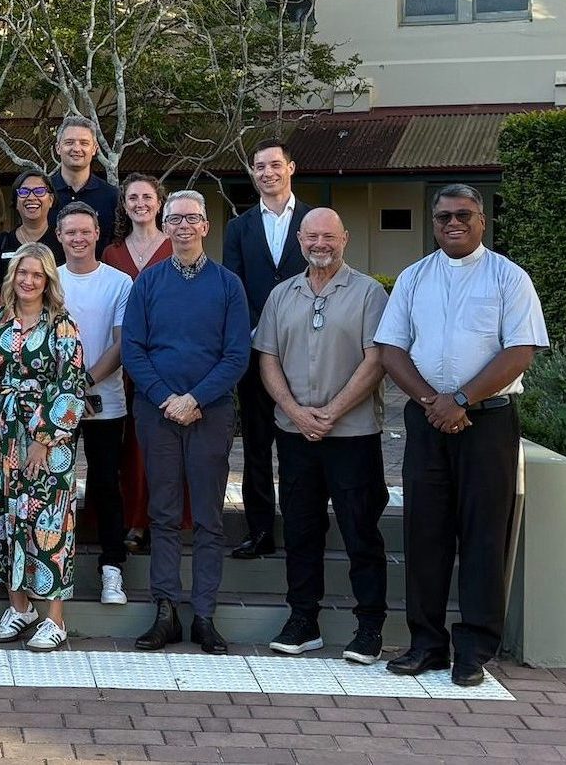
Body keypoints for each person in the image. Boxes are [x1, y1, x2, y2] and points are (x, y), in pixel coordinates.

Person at [377, 184, 547, 688]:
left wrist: (462, 399)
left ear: (482, 220)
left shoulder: (508, 278)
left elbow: (520, 351)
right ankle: (426, 644)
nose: (454, 223)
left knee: (483, 535)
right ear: (434, 223)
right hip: (428, 421)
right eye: (444, 216)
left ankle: (473, 650)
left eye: (464, 215)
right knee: (424, 533)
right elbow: (391, 349)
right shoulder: (414, 278)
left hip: (487, 424)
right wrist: (435, 402)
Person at [255, 208, 391, 665]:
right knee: (300, 529)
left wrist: (331, 413)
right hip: (295, 435)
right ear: (299, 239)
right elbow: (268, 359)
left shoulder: (369, 293)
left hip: (353, 435)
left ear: (345, 238)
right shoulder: (281, 296)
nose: (320, 244)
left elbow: (376, 360)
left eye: (329, 237)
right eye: (312, 236)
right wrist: (297, 413)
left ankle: (369, 626)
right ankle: (303, 620)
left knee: (361, 531)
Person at [122, 190, 250, 655]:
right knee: (163, 512)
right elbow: (133, 349)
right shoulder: (148, 283)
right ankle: (165, 611)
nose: (182, 226)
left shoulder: (228, 285)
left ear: (205, 226)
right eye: (174, 219)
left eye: (191, 218)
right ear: (165, 226)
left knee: (210, 517)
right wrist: (166, 398)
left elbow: (236, 354)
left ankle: (204, 615)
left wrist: (195, 398)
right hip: (157, 413)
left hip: (210, 413)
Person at [0, 243, 95, 653]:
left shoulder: (62, 325)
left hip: (47, 440)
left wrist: (44, 439)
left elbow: (71, 385)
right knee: (3, 518)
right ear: (12, 276)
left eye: (37, 274)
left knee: (47, 522)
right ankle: (19, 607)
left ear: (48, 280)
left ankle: (54, 619)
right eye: (23, 272)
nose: (28, 280)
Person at [223, 139, 314, 561]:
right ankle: (260, 530)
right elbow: (235, 288)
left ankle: (303, 527)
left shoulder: (315, 220)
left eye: (275, 164)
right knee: (257, 447)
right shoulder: (238, 227)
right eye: (259, 166)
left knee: (301, 444)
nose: (267, 173)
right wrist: (256, 339)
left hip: (307, 351)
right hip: (256, 353)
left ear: (290, 168)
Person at [54, 204, 134, 607]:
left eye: (85, 231)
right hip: (53, 402)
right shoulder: (49, 278)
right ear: (59, 236)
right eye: (70, 232)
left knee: (105, 484)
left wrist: (82, 383)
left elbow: (121, 344)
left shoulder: (119, 283)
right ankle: (53, 569)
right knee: (55, 485)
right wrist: (66, 390)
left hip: (106, 401)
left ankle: (112, 568)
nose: (78, 239)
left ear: (98, 233)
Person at [101, 174, 173, 556]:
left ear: (159, 202)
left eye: (147, 196)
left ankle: (156, 519)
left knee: (156, 444)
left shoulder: (174, 245)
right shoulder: (112, 253)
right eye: (133, 197)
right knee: (124, 446)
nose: (140, 203)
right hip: (120, 359)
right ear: (124, 204)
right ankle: (128, 519)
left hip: (164, 360)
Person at [0, 167, 64, 311]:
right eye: (24, 192)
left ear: (51, 200)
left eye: (39, 191)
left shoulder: (63, 244)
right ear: (16, 202)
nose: (31, 197)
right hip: (7, 320)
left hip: (53, 318)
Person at [48, 116, 117, 255]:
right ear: (58, 148)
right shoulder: (43, 193)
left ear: (94, 149)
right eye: (69, 142)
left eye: (84, 143)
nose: (76, 148)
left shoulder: (112, 196)